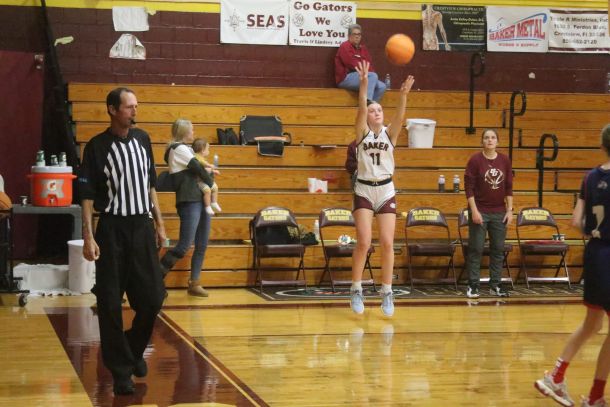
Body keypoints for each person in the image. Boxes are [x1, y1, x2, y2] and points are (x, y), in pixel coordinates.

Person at [79, 87, 166, 395]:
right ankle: (121, 372)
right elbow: (87, 197)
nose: (134, 111)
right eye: (129, 107)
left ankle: (130, 350)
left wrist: (160, 224)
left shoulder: (143, 140)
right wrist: (88, 236)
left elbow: (151, 186)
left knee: (153, 298)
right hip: (112, 229)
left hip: (142, 226)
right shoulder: (96, 146)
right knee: (110, 303)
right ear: (112, 110)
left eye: (136, 106)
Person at [535, 124, 610, 407]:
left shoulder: (589, 177)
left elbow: (576, 222)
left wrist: (596, 232)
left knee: (592, 324)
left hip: (595, 253)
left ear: (602, 146)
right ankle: (595, 396)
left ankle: (556, 376)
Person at [349, 60, 414, 317]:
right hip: (364, 190)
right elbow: (360, 108)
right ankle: (356, 289)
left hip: (386, 190)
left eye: (379, 110)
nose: (376, 112)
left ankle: (387, 291)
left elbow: (400, 116)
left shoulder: (390, 134)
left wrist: (403, 95)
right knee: (364, 242)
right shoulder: (362, 133)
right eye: (372, 110)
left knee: (387, 242)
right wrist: (364, 85)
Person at [159, 119, 214, 297]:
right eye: (191, 129)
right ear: (184, 131)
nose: (193, 132)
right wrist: (211, 182)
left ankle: (194, 283)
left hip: (200, 198)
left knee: (202, 244)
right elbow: (198, 168)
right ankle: (155, 279)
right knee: (183, 246)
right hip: (189, 200)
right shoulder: (178, 148)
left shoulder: (187, 149)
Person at [464, 129, 513, 299]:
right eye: (486, 138)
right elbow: (468, 188)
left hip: (499, 212)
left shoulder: (505, 160)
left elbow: (508, 187)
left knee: (498, 250)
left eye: (493, 138)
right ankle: (473, 285)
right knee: (476, 249)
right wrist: (474, 211)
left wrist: (510, 210)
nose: (490, 140)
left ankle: (495, 285)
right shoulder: (475, 160)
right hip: (480, 211)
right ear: (482, 142)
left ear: (497, 141)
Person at [335, 24, 386, 102]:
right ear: (349, 36)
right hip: (345, 79)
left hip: (361, 76)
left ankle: (370, 106)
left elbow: (369, 64)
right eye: (354, 34)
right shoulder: (345, 46)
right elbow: (352, 64)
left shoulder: (363, 48)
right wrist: (365, 69)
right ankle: (366, 102)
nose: (357, 36)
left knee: (382, 86)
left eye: (359, 34)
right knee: (372, 76)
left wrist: (367, 72)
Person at [192, 138, 222, 216]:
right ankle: (207, 206)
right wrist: (210, 165)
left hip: (204, 180)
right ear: (202, 150)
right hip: (198, 181)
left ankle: (214, 202)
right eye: (207, 149)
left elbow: (205, 170)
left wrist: (213, 171)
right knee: (207, 190)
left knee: (215, 187)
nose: (208, 151)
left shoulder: (202, 158)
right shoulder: (196, 157)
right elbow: (202, 166)